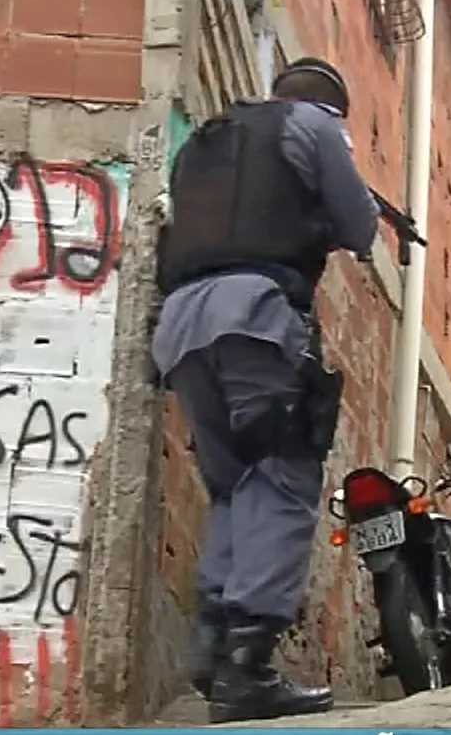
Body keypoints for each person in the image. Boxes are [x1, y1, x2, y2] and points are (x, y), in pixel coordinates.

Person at [151, 57, 379, 724]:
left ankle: (214, 646)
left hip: (181, 329)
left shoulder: (205, 142)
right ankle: (247, 668)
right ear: (334, 106)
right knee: (282, 471)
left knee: (235, 481)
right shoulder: (316, 126)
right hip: (254, 315)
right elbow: (359, 224)